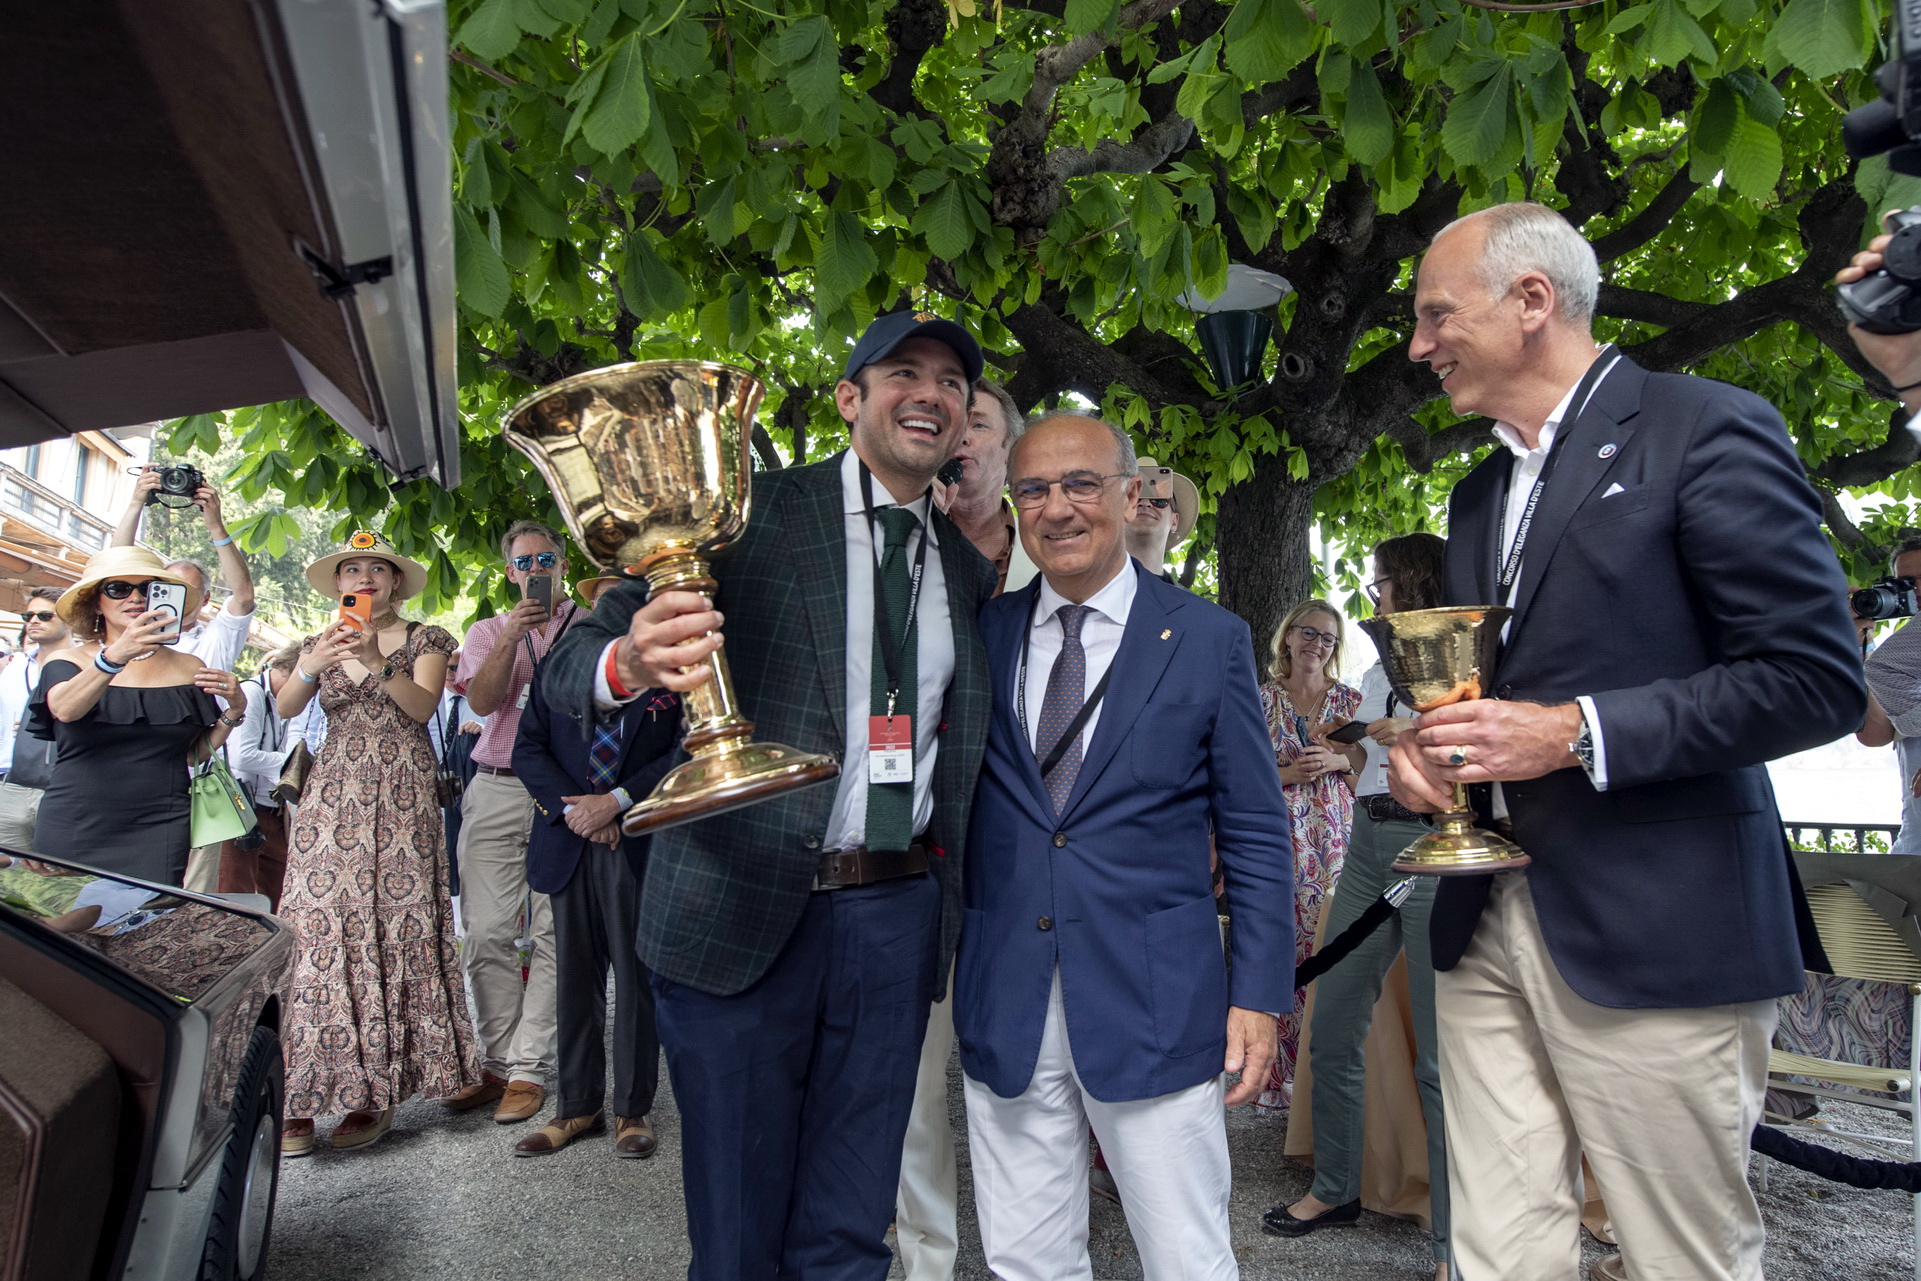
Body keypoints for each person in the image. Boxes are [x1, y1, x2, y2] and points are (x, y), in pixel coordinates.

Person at [1387, 202, 1864, 1281]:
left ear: (1532, 301)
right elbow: (1481, 702)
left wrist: (1571, 733)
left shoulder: (1707, 425)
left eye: (1434, 315)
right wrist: (1431, 761)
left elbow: (1811, 680)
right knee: (1498, 1256)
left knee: (1679, 1260)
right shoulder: (1473, 495)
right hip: (1483, 919)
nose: (1417, 347)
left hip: (1661, 929)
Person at [542, 310, 995, 1280]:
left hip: (892, 917)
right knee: (739, 1241)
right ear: (849, 399)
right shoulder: (746, 513)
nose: (930, 394)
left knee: (846, 1235)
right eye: (902, 373)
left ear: (965, 417)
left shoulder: (964, 568)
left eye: (952, 382)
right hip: (735, 914)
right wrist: (627, 662)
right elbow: (577, 658)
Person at [956, 413, 1292, 1281]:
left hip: (1156, 1000)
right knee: (1026, 1261)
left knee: (1187, 1257)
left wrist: (1258, 994)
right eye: (1033, 488)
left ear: (1129, 493)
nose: (1057, 508)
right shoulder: (982, 637)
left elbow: (1256, 830)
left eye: (1080, 484)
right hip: (1007, 995)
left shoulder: (1210, 638)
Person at [1265, 533, 1452, 1280]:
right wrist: (1351, 749)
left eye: (1380, 583)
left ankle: (1455, 1238)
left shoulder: (1462, 658)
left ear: (1413, 582)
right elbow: (1365, 766)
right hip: (1367, 847)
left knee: (1440, 1057)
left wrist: (1404, 736)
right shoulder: (1378, 670)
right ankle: (1335, 1188)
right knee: (1333, 1017)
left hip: (1432, 849)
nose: (1373, 596)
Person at [897, 373, 1038, 1281]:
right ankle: (927, 1260)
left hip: (1024, 869)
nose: (958, 435)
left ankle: (1033, 1253)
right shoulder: (900, 556)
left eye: (976, 421)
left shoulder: (1059, 557)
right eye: (948, 423)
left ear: (1010, 450)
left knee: (1022, 1084)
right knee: (910, 1091)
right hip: (917, 858)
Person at [274, 532, 477, 1155]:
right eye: (351, 569)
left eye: (376, 569)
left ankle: (376, 1092)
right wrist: (312, 663)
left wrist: (371, 657)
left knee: (391, 926)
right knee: (314, 930)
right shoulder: (319, 641)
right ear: (338, 584)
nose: (363, 578)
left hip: (402, 791)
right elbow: (285, 708)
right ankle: (305, 1088)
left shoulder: (427, 638)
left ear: (394, 581)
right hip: (333, 793)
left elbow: (420, 708)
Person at [443, 521, 585, 1125]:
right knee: (485, 929)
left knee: (555, 933)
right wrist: (511, 638)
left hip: (563, 792)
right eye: (524, 561)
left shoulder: (589, 624)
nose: (535, 569)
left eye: (546, 558)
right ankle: (497, 1060)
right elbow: (480, 703)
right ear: (509, 572)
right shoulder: (485, 631)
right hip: (498, 787)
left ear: (562, 563)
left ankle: (528, 1069)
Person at [511, 654, 678, 1159]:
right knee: (573, 978)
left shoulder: (673, 672)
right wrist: (580, 809)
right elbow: (527, 749)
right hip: (568, 836)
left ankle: (633, 1109)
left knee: (634, 976)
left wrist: (618, 801)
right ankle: (576, 1107)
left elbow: (686, 750)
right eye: (603, 599)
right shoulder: (560, 669)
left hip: (638, 836)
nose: (614, 611)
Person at [25, 547, 247, 885]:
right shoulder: (68, 662)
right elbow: (65, 710)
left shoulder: (189, 667)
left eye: (148, 588)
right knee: (65, 933)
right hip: (75, 823)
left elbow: (193, 754)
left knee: (146, 929)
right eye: (118, 588)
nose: (135, 598)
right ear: (95, 601)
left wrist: (233, 711)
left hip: (159, 825)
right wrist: (115, 656)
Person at [1257, 598, 1362, 1109]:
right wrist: (1287, 773)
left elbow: (1376, 779)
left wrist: (1339, 761)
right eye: (1308, 633)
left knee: (1330, 939)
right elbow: (1235, 774)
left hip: (1337, 836)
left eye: (1327, 638)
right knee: (1283, 943)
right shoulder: (1259, 699)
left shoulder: (1352, 703)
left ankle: (1328, 1071)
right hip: (1278, 836)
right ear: (1288, 637)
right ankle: (1280, 1074)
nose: (1316, 644)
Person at [112, 466, 256, 671]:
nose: (177, 597)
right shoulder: (132, 631)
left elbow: (244, 596)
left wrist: (216, 526)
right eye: (167, 588)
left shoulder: (216, 638)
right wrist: (136, 503)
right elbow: (115, 567)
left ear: (205, 599)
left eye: (187, 591)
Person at [218, 641, 300, 910]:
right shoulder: (252, 693)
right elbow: (243, 756)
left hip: (272, 811)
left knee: (280, 894)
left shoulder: (284, 702)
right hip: (242, 810)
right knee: (236, 894)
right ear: (289, 670)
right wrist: (294, 764)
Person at [0, 589, 74, 848]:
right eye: (28, 615)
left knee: (51, 872)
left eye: (44, 615)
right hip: (8, 781)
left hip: (61, 787)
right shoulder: (14, 666)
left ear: (70, 619)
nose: (33, 621)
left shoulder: (87, 667)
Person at [1121, 455, 1200, 580]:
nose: (1145, 503)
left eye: (1158, 499)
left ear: (1174, 521)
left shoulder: (1191, 600)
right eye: (1134, 498)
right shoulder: (1083, 594)